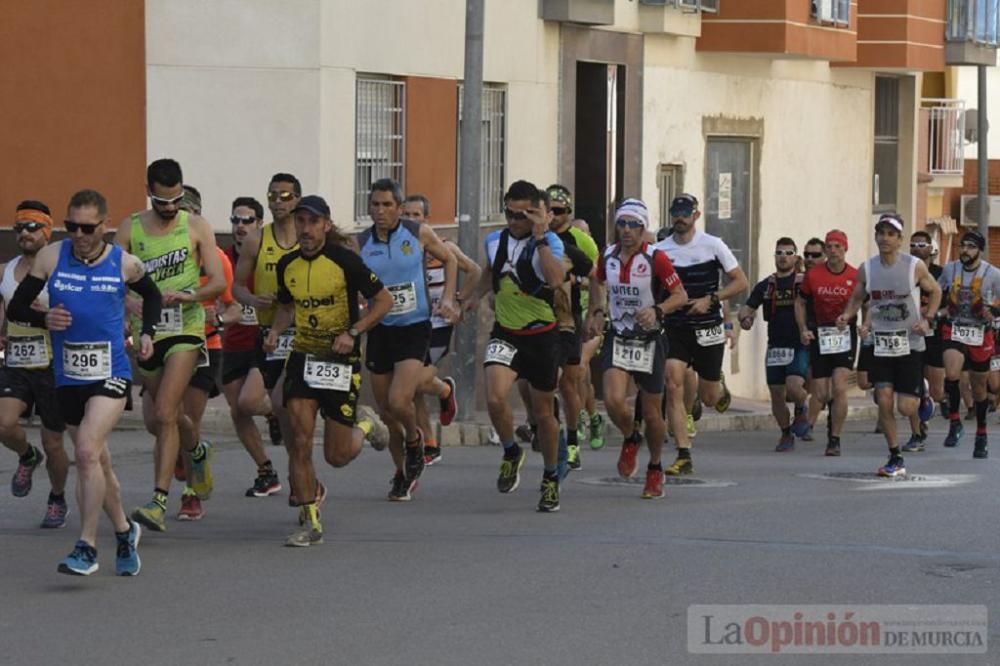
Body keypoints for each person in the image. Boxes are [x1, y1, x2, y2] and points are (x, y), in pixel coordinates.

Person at [9, 189, 155, 575]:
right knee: (100, 463)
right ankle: (125, 530)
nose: (79, 234)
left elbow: (152, 296)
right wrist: (44, 320)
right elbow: (17, 306)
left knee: (87, 452)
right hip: (69, 375)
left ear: (104, 226)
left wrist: (147, 333)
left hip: (111, 373)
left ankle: (86, 545)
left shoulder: (123, 263)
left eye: (87, 228)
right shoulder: (51, 256)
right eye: (71, 225)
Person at [265, 195, 391, 545]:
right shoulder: (287, 265)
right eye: (300, 222)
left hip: (338, 361)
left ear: (325, 225)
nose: (305, 229)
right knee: (300, 442)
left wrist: (353, 332)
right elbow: (287, 308)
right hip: (303, 358)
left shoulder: (345, 261)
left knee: (336, 456)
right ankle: (310, 521)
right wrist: (276, 331)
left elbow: (385, 301)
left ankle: (364, 423)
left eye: (312, 222)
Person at [115, 158, 225, 532]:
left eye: (176, 199)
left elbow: (218, 282)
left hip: (186, 329)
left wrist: (189, 294)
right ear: (149, 193)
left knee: (164, 411)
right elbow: (111, 278)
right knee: (156, 420)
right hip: (147, 331)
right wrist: (128, 300)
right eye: (162, 202)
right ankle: (196, 450)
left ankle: (159, 501)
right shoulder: (130, 228)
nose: (170, 208)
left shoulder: (195, 227)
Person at [466, 180, 566, 512]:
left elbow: (554, 280)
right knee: (495, 397)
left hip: (542, 336)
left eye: (522, 215)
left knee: (543, 413)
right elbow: (490, 272)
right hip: (506, 332)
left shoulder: (551, 241)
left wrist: (539, 237)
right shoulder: (495, 240)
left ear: (538, 214)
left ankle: (551, 476)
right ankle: (511, 451)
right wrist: (471, 298)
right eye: (509, 213)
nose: (514, 221)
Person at [358, 179, 458, 500]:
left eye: (387, 205)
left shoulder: (416, 233)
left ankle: (416, 441)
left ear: (399, 208)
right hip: (380, 329)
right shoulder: (360, 242)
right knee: (387, 411)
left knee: (401, 400)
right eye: (375, 205)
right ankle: (403, 472)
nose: (381, 211)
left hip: (414, 327)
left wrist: (449, 300)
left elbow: (451, 259)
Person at [586, 199, 686, 498]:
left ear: (644, 229)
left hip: (650, 340)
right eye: (622, 224)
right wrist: (597, 311)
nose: (627, 230)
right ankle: (631, 437)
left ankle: (655, 468)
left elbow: (680, 295)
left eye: (634, 225)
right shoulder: (608, 255)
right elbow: (596, 279)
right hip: (618, 335)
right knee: (615, 400)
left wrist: (657, 309)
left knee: (654, 414)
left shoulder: (657, 258)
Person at [838, 213, 941, 477]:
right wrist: (847, 315)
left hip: (910, 342)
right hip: (881, 343)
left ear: (900, 239)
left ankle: (923, 393)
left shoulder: (913, 266)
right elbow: (857, 297)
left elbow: (936, 291)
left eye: (890, 234)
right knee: (883, 399)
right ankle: (895, 455)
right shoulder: (867, 268)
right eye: (881, 233)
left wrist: (928, 319)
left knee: (906, 408)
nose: (884, 238)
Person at [654, 194, 748, 476]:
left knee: (708, 399)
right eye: (676, 213)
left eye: (685, 213)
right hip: (676, 326)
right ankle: (684, 454)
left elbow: (741, 281)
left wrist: (712, 298)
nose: (680, 218)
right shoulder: (660, 250)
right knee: (673, 382)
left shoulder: (713, 245)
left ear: (696, 216)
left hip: (707, 326)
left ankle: (717, 383)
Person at [0, 200, 71, 528]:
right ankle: (27, 457)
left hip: (53, 363)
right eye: (19, 228)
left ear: (47, 229)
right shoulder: (6, 269)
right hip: (16, 360)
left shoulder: (59, 267)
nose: (24, 234)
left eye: (31, 227)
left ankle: (57, 496)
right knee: (3, 423)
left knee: (53, 440)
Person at [174, 186, 241, 520]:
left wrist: (220, 317)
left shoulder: (217, 259)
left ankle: (190, 493)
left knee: (189, 416)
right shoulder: (159, 256)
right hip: (165, 344)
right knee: (159, 419)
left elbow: (234, 308)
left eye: (190, 212)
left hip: (204, 345)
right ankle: (189, 450)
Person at [400, 194, 480, 466]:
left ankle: (445, 390)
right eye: (406, 215)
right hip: (412, 324)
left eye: (415, 215)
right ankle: (430, 443)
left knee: (419, 382)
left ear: (426, 219)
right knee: (412, 390)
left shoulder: (443, 247)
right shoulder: (402, 252)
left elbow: (476, 272)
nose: (410, 220)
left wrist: (458, 302)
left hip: (438, 326)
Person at [233, 173, 303, 454]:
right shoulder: (257, 240)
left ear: (297, 198)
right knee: (249, 402)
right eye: (272, 195)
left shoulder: (307, 237)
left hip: (301, 334)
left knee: (288, 402)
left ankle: (299, 466)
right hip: (268, 336)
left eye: (284, 196)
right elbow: (236, 287)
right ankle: (282, 427)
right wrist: (253, 299)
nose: (277, 201)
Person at [221, 197, 284, 496]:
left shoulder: (267, 253)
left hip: (262, 341)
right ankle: (265, 470)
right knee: (238, 411)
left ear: (259, 224)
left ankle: (273, 411)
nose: (240, 226)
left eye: (247, 220)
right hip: (233, 343)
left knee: (248, 402)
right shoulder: (221, 257)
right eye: (235, 220)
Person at [738, 237, 810, 452]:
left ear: (796, 257)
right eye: (779, 252)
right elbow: (747, 307)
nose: (783, 257)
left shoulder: (803, 282)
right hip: (775, 346)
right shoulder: (767, 285)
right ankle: (785, 433)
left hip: (798, 344)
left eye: (788, 253)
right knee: (776, 393)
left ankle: (801, 407)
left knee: (794, 387)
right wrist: (745, 319)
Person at [546, 184, 599, 472]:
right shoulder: (534, 236)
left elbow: (597, 276)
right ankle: (538, 424)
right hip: (537, 315)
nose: (554, 216)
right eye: (549, 210)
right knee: (532, 383)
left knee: (569, 381)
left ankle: (573, 438)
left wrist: (595, 312)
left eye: (560, 211)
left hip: (569, 317)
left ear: (568, 212)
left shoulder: (580, 240)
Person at [937, 230, 1000, 458]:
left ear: (980, 250)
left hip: (980, 332)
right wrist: (935, 311)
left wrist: (994, 311)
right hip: (954, 326)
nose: (965, 250)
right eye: (963, 246)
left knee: (980, 388)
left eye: (971, 247)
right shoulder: (950, 269)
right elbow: (936, 290)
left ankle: (981, 434)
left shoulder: (993, 274)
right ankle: (955, 422)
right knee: (952, 372)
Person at [795, 230, 857, 457]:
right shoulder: (814, 276)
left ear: (845, 249)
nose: (833, 251)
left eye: (837, 247)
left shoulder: (855, 275)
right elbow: (800, 303)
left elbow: (865, 303)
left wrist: (864, 324)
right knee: (820, 392)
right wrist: (803, 328)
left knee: (839, 387)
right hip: (821, 334)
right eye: (829, 247)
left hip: (844, 333)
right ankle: (824, 418)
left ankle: (835, 438)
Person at [900, 229, 942, 452]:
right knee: (912, 384)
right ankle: (917, 432)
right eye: (913, 245)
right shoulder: (904, 270)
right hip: (908, 334)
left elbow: (944, 299)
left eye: (921, 245)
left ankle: (927, 399)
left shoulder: (938, 273)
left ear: (930, 249)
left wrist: (930, 314)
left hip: (932, 332)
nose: (917, 249)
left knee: (936, 389)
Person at [801, 237, 828, 440]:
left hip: (825, 335)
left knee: (817, 380)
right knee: (799, 383)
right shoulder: (798, 280)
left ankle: (809, 424)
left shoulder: (829, 277)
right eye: (806, 255)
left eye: (815, 255)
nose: (810, 259)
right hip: (800, 335)